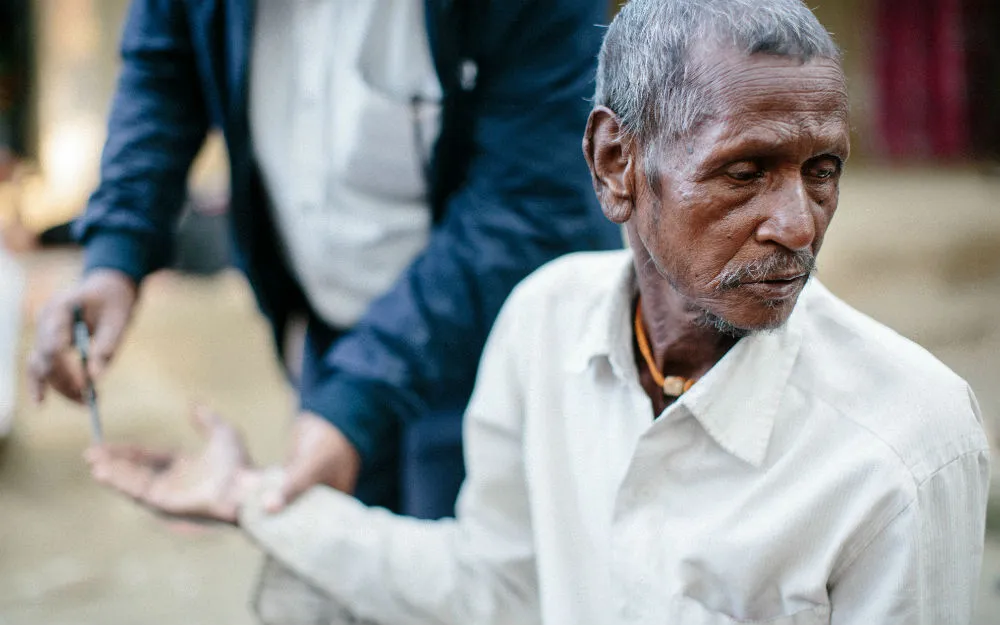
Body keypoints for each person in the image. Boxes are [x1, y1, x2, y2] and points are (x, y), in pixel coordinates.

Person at [87, 0, 991, 623]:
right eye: (744, 172)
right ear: (614, 164)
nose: (798, 225)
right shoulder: (543, 332)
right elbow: (494, 586)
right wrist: (252, 499)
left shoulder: (904, 447)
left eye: (823, 170)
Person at [28, 0, 622, 519]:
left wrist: (354, 403)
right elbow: (165, 69)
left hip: (496, 339)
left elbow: (524, 203)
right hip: (332, 334)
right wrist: (116, 254)